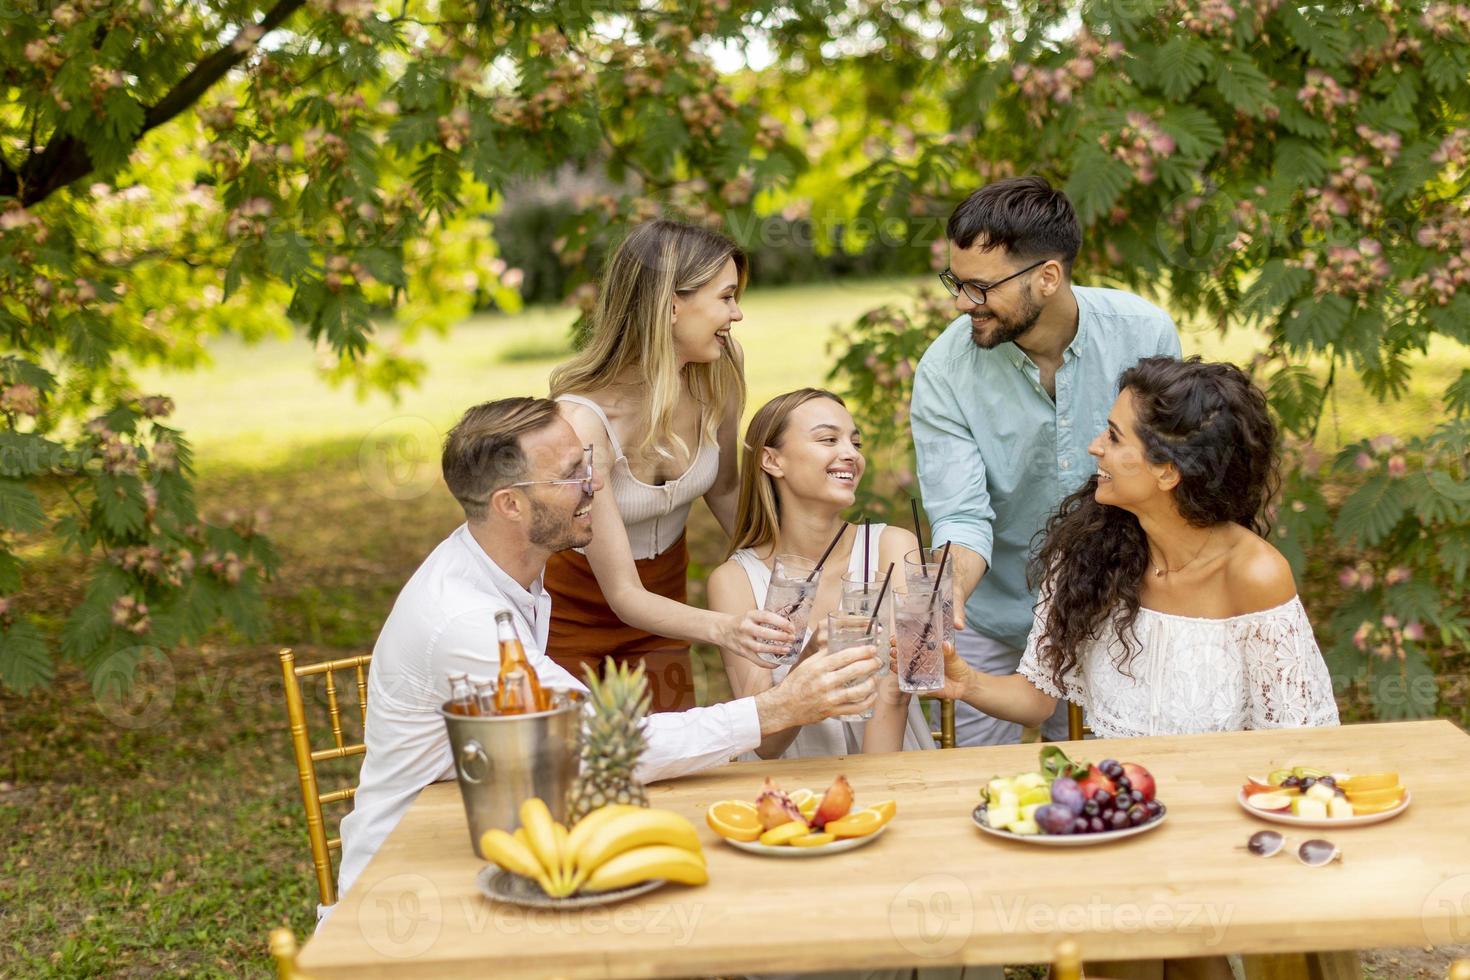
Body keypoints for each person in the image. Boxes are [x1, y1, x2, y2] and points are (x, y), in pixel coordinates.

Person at [329, 397, 880, 919]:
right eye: (572, 473)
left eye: (589, 460)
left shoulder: (504, 563)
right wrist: (776, 709)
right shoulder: (466, 621)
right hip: (411, 880)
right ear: (511, 505)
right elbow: (599, 747)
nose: (596, 483)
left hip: (493, 828)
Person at [937, 357, 1338, 980]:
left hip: (1221, 835)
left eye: (1116, 436)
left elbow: (1302, 750)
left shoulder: (1254, 575)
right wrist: (968, 683)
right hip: (1114, 826)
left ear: (1168, 471)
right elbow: (1038, 697)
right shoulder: (1090, 555)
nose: (1095, 445)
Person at [911, 175, 1182, 746]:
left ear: (1048, 276)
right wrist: (949, 594)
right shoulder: (944, 369)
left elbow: (1168, 482)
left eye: (980, 288)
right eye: (956, 284)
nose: (963, 304)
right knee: (968, 788)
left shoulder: (1144, 332)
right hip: (992, 615)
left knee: (1109, 787)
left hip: (1114, 602)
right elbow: (961, 514)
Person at [548, 219, 792, 713]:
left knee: (674, 763)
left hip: (665, 608)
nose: (737, 314)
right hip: (570, 614)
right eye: (726, 297)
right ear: (673, 304)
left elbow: (725, 488)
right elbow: (621, 593)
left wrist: (785, 564)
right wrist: (727, 627)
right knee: (579, 771)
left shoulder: (719, 367)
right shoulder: (583, 421)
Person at [708, 388, 935, 759]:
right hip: (788, 786)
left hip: (888, 768)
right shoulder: (734, 581)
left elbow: (891, 700)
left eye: (855, 441)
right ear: (772, 460)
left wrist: (872, 799)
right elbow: (765, 743)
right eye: (829, 439)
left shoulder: (893, 548)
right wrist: (809, 660)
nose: (851, 453)